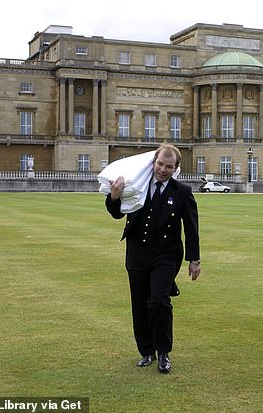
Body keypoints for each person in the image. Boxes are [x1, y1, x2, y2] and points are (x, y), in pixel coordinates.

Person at [105, 143, 201, 374]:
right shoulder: (136, 184)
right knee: (139, 304)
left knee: (159, 301)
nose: (163, 169)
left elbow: (191, 227)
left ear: (176, 168)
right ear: (153, 163)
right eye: (160, 164)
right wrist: (114, 196)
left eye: (169, 166)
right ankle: (146, 351)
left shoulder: (182, 192)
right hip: (137, 253)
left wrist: (194, 259)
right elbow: (117, 213)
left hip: (165, 255)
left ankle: (163, 352)